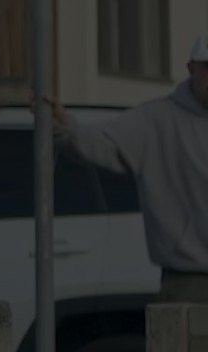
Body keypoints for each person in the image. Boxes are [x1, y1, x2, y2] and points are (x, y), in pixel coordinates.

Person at [49, 35, 208, 303]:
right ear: (191, 68)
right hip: (190, 283)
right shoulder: (156, 120)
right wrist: (64, 125)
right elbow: (100, 143)